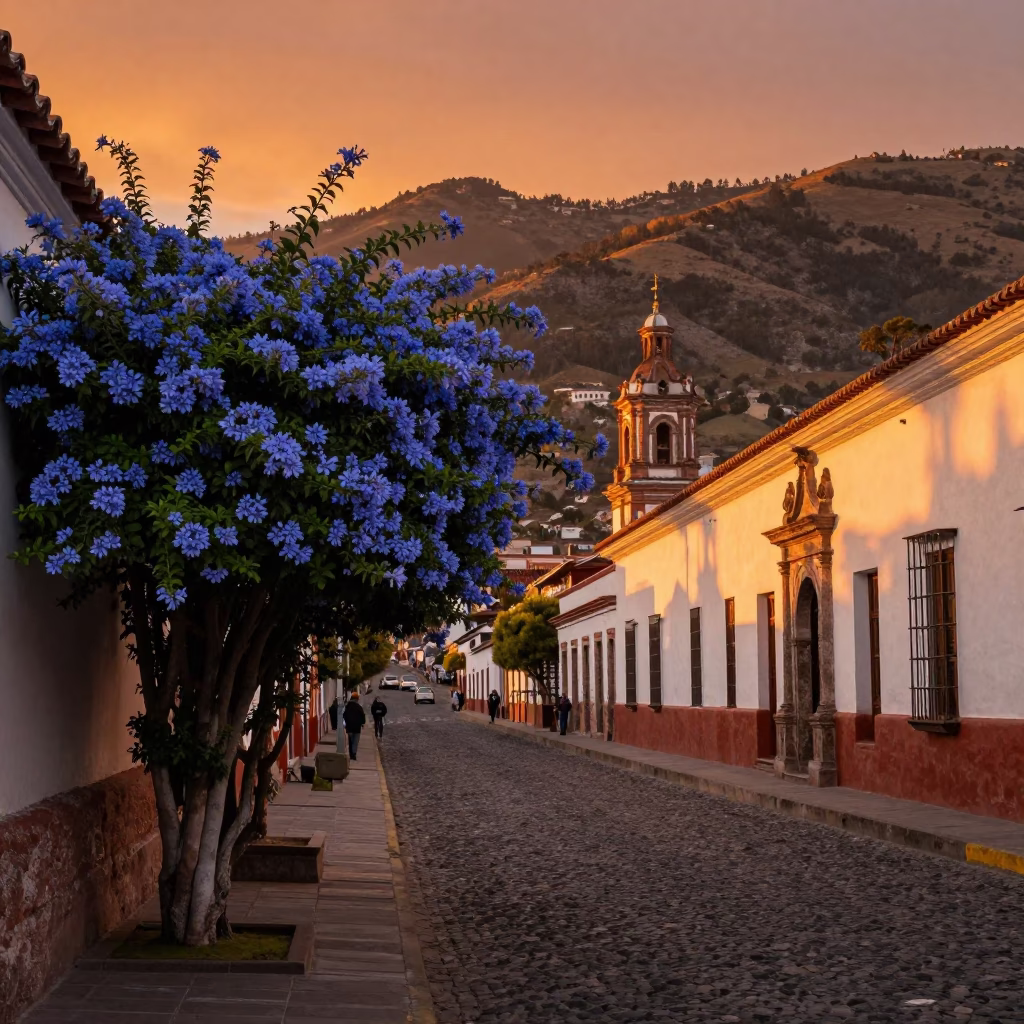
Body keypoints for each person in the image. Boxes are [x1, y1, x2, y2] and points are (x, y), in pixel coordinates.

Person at [342, 691, 366, 761]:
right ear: (357, 699)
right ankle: (354, 754)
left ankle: (351, 754)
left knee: (350, 740)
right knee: (355, 741)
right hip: (357, 727)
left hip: (349, 727)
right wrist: (362, 723)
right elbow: (362, 716)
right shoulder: (359, 707)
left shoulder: (347, 707)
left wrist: (346, 723)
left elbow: (344, 715)